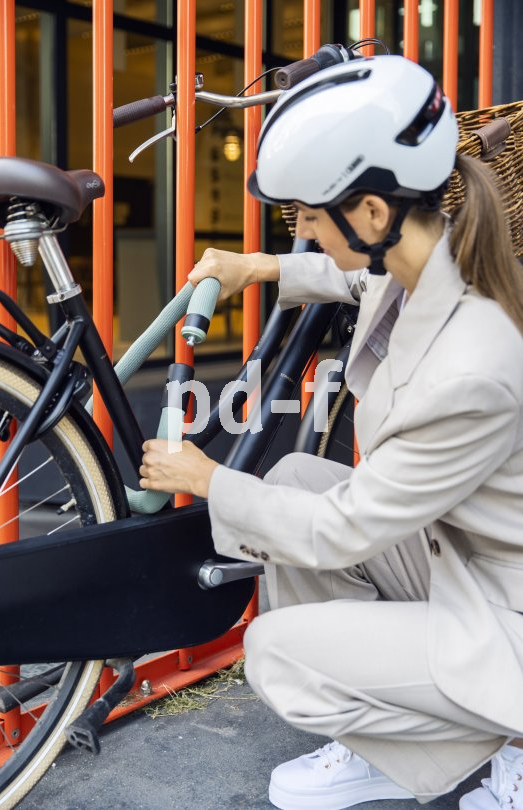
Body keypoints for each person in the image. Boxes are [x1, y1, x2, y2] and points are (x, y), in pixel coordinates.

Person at [139, 55, 523, 810]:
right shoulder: (432, 253)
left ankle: (505, 732)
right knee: (292, 480)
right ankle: (389, 743)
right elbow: (354, 278)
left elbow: (345, 529)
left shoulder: (473, 366)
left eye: (311, 217)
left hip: (507, 613)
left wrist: (208, 480)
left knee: (276, 654)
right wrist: (260, 267)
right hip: (465, 560)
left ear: (373, 213)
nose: (306, 232)